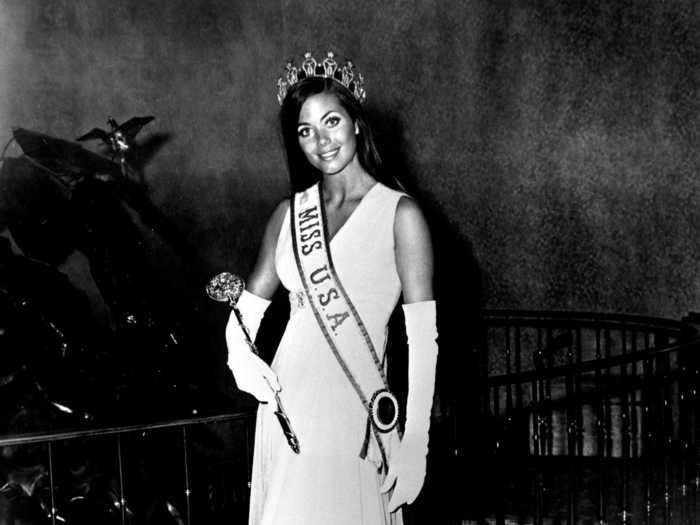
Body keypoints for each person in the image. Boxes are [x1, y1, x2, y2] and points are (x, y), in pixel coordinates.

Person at [225, 51, 439, 525]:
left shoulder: (400, 215)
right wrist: (238, 356)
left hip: (353, 416)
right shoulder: (288, 214)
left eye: (331, 122)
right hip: (287, 416)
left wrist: (415, 445)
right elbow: (247, 310)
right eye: (305, 131)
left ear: (357, 123)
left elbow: (423, 342)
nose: (321, 141)